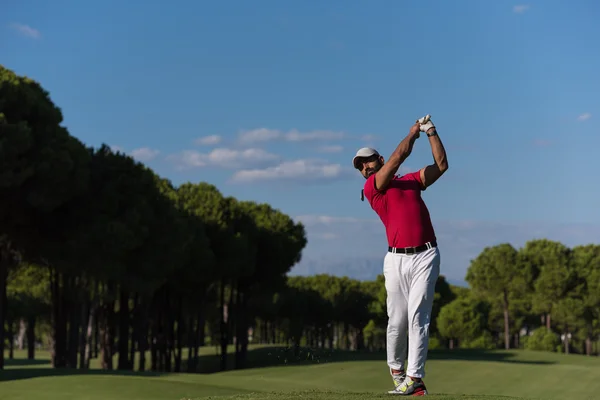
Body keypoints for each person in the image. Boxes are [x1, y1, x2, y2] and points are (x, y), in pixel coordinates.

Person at [352, 115, 448, 396]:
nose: (365, 167)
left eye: (368, 161)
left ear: (378, 159)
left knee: (419, 316)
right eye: (360, 166)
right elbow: (399, 155)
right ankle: (396, 370)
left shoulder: (410, 182)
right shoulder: (372, 188)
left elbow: (441, 166)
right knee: (397, 321)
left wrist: (431, 132)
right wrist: (412, 133)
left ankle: (414, 378)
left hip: (426, 256)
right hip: (395, 260)